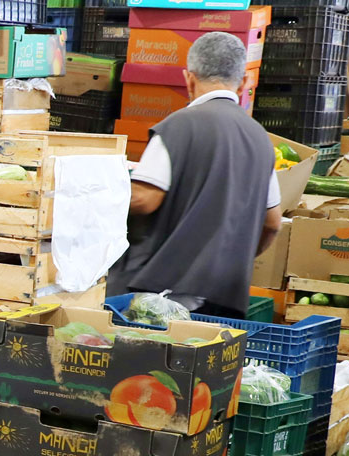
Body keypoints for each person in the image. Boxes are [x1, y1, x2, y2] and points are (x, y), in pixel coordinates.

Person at [108, 31, 283, 320]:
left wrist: (94, 198)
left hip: (161, 300)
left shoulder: (178, 126)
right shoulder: (260, 139)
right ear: (243, 83)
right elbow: (273, 223)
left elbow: (145, 199)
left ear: (188, 78)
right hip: (226, 298)